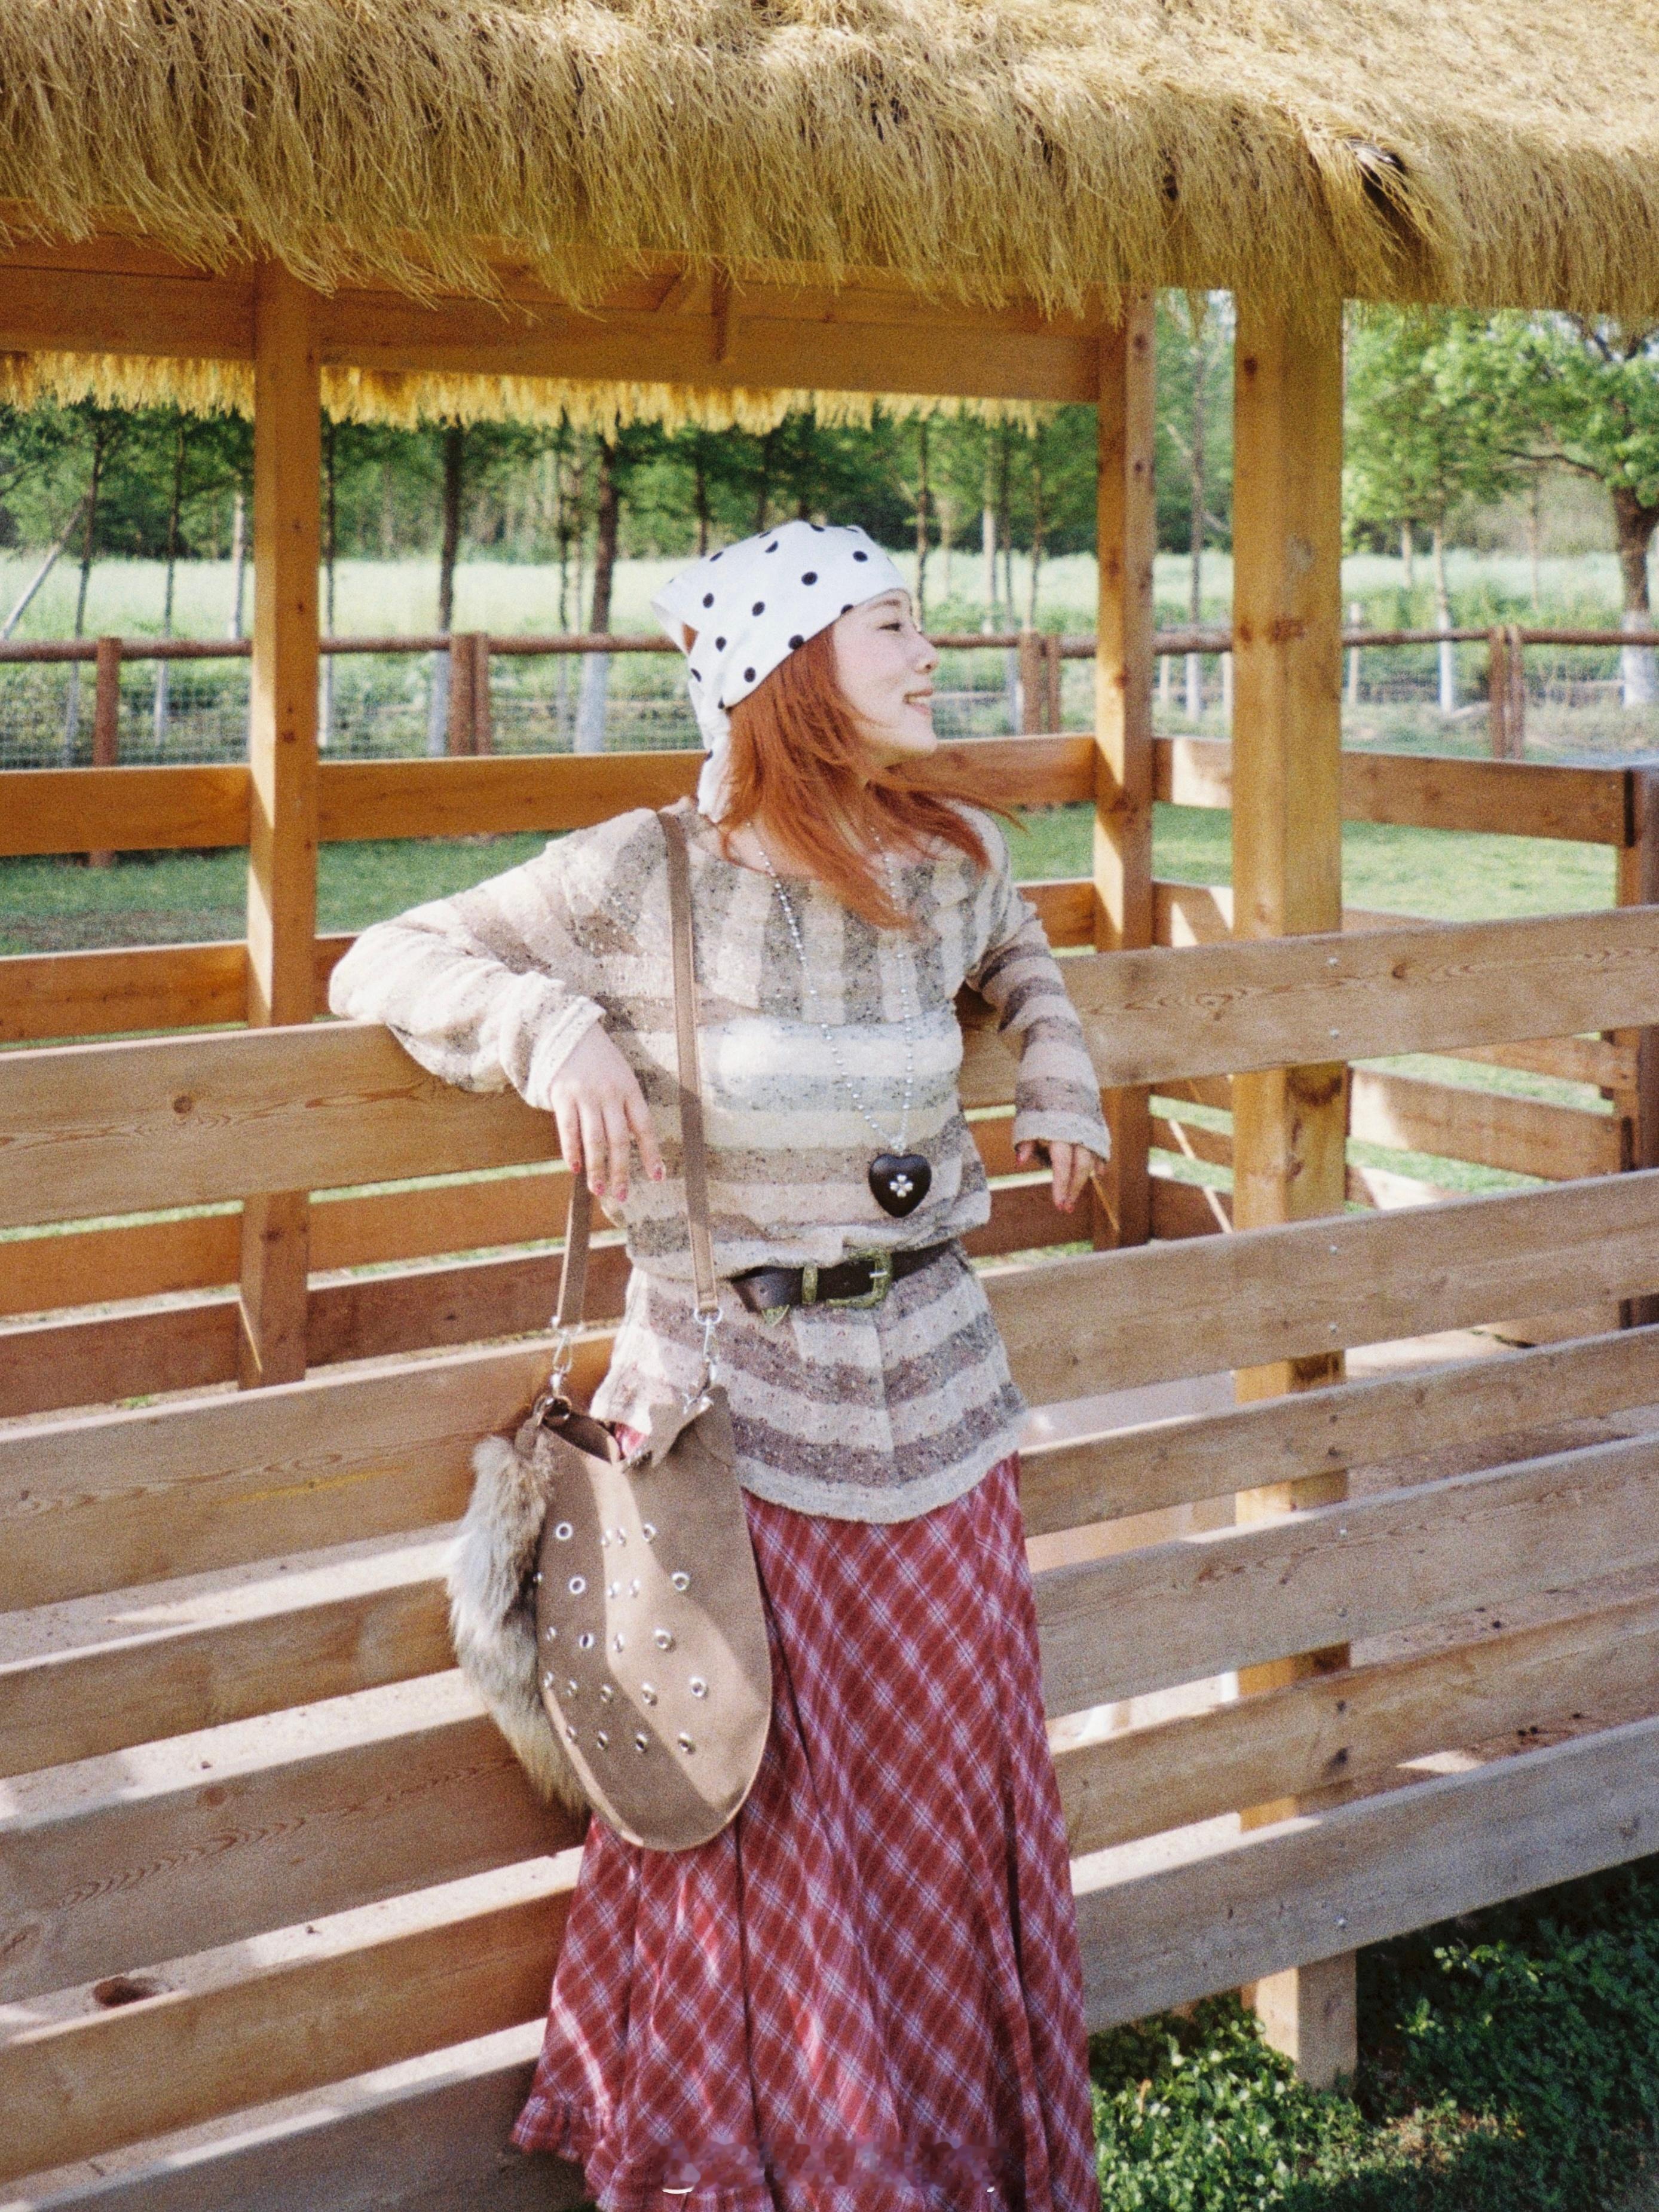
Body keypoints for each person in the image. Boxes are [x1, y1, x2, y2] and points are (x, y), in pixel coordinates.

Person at [329, 519, 1109, 2212]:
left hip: (941, 1410)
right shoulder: (641, 878)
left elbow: (1016, 944)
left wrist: (1055, 1057)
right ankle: (776, 2169)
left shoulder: (948, 856)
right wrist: (553, 1030)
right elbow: (381, 955)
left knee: (936, 1808)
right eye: (891, 625)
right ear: (788, 669)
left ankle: (946, 2161)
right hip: (729, 1434)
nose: (929, 652)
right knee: (752, 1811)